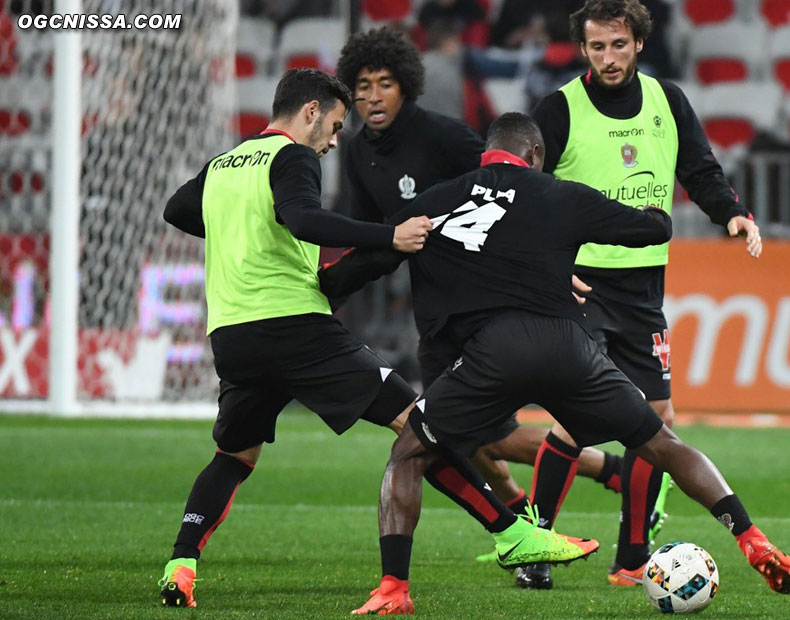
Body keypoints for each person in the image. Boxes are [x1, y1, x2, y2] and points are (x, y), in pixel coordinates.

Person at [156, 68, 591, 609]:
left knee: (233, 455)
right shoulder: (291, 156)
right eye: (335, 125)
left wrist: (240, 226)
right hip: (295, 326)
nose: (336, 140)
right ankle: (513, 534)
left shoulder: (227, 163)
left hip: (232, 334)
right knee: (420, 425)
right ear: (310, 113)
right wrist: (390, 234)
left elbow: (177, 208)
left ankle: (181, 563)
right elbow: (303, 219)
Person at [332, 113, 790, 614]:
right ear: (535, 156)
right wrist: (649, 211)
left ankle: (395, 588)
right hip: (569, 346)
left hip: (491, 355)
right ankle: (750, 536)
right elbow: (650, 230)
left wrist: (319, 289)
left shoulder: (435, 202)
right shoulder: (561, 194)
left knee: (409, 454)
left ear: (486, 152)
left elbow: (370, 258)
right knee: (662, 442)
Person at [336, 31, 630, 584]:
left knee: (463, 434)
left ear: (407, 88)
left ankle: (590, 484)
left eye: (385, 85)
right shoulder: (355, 152)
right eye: (362, 88)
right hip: (435, 310)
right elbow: (364, 233)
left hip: (485, 307)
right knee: (469, 437)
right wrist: (327, 286)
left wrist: (549, 267)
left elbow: (513, 194)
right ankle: (542, 516)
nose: (373, 98)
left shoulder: (445, 137)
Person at [530, 0, 763, 587]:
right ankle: (534, 551)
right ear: (582, 49)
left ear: (638, 43)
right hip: (580, 283)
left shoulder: (668, 101)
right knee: (577, 420)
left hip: (642, 286)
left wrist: (730, 213)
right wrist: (549, 268)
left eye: (618, 44)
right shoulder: (558, 109)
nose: (608, 57)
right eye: (596, 46)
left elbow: (700, 169)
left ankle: (631, 558)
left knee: (655, 416)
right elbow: (526, 197)